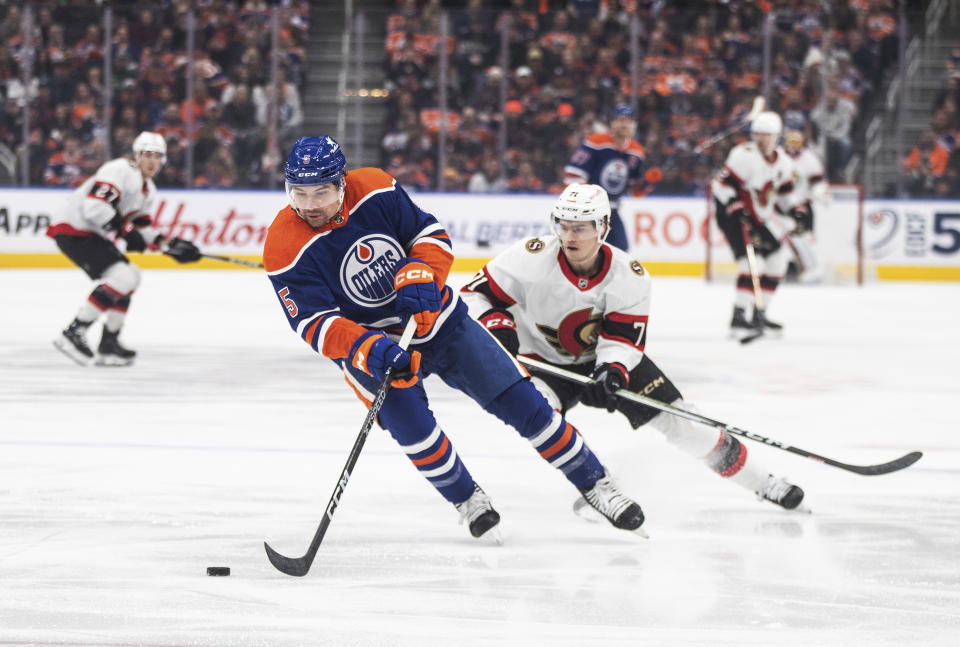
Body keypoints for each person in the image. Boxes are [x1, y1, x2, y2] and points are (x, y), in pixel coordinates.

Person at [262, 136, 645, 543]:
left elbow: (429, 235)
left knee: (525, 404)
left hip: (441, 321)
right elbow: (313, 324)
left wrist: (422, 272)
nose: (311, 205)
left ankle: (596, 484)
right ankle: (467, 500)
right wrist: (368, 348)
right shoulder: (283, 244)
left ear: (342, 182)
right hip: (373, 348)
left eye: (321, 191)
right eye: (299, 193)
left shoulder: (374, 187)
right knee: (414, 432)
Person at [460, 183, 804, 512]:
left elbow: (623, 341)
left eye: (580, 228)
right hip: (543, 363)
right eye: (563, 226)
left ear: (603, 227)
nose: (568, 236)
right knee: (541, 418)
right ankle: (598, 485)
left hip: (605, 360)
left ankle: (763, 482)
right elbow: (473, 294)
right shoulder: (528, 257)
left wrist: (612, 371)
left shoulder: (629, 276)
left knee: (686, 424)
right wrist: (496, 324)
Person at [47, 131, 202, 366]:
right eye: (147, 155)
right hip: (73, 228)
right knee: (122, 277)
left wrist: (169, 244)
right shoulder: (120, 170)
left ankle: (109, 343)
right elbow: (95, 208)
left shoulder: (148, 189)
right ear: (137, 156)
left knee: (132, 276)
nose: (152, 161)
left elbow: (140, 230)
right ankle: (73, 332)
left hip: (89, 232)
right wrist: (127, 232)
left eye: (157, 156)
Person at [710, 111, 795, 338]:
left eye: (766, 135)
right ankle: (738, 316)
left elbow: (787, 196)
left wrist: (799, 212)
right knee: (752, 263)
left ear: (776, 137)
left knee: (778, 262)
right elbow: (720, 186)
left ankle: (760, 312)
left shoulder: (784, 162)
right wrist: (735, 205)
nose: (761, 139)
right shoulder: (743, 155)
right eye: (758, 134)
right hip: (732, 216)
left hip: (759, 219)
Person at [563, 103, 659, 251]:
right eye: (620, 120)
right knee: (587, 252)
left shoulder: (636, 151)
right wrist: (584, 202)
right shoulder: (597, 142)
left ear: (634, 125)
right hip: (588, 211)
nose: (624, 124)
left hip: (611, 211)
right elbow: (573, 173)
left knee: (621, 251)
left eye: (628, 121)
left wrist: (648, 182)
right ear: (612, 123)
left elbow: (634, 190)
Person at [783, 129, 826, 282]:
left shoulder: (809, 159)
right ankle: (795, 267)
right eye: (791, 143)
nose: (793, 147)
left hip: (801, 207)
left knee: (803, 239)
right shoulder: (779, 158)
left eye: (796, 143)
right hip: (781, 207)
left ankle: (813, 268)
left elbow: (818, 183)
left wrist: (820, 193)